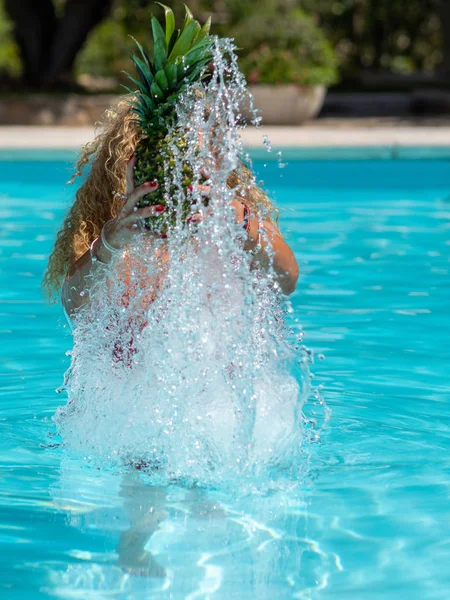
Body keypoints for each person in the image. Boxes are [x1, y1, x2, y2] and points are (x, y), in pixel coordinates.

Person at [43, 98, 299, 327]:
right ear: (129, 168)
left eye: (192, 160)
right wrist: (110, 244)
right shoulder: (106, 235)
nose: (178, 175)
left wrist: (242, 225)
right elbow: (75, 308)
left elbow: (287, 280)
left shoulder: (236, 219)